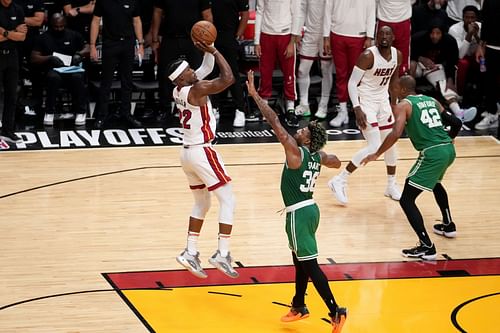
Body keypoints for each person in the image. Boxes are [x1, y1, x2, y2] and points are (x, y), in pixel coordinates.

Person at [246, 69, 347, 333]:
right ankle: (299, 304)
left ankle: (335, 310)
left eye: (302, 130)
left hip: (298, 214)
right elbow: (336, 162)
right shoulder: (317, 157)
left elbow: (274, 122)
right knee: (300, 260)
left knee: (310, 264)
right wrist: (323, 154)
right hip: (311, 210)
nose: (299, 130)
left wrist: (256, 96)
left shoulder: (296, 152)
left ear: (306, 139)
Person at [362, 75, 462, 260]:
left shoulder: (404, 105)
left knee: (407, 200)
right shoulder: (431, 100)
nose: (391, 90)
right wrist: (451, 138)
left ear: (401, 89)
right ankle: (448, 225)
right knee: (435, 184)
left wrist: (376, 153)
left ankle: (427, 246)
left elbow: (395, 133)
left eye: (393, 88)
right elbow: (456, 122)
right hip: (448, 150)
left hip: (432, 153)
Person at [167, 41, 239, 279]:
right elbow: (228, 78)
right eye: (188, 70)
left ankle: (190, 251)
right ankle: (222, 253)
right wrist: (218, 51)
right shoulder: (196, 90)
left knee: (202, 203)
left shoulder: (179, 88)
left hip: (186, 154)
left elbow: (205, 68)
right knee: (228, 199)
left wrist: (209, 46)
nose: (193, 71)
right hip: (202, 151)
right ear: (181, 78)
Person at [328, 26, 402, 205]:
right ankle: (340, 179)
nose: (384, 37)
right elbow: (352, 83)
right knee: (374, 146)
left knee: (390, 145)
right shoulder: (368, 56)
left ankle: (391, 185)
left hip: (383, 101)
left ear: (393, 37)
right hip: (366, 101)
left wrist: (395, 103)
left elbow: (394, 79)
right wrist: (357, 108)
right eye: (380, 34)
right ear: (376, 37)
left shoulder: (397, 55)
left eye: (387, 34)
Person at [151, 0, 212, 124]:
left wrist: (208, 40)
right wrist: (155, 38)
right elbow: (157, 13)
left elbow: (207, 15)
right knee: (165, 74)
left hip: (193, 40)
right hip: (170, 38)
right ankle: (165, 109)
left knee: (197, 74)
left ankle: (197, 107)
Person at [89, 0, 144, 129]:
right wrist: (92, 45)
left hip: (128, 43)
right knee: (106, 82)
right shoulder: (103, 1)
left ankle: (126, 114)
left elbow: (137, 21)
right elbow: (95, 21)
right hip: (110, 43)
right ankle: (102, 115)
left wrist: (140, 44)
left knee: (127, 81)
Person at [410, 21, 477, 122]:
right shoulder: (417, 38)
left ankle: (459, 113)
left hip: (434, 67)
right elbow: (409, 54)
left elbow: (452, 62)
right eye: (432, 33)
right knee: (410, 66)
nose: (434, 36)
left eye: (438, 33)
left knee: (444, 86)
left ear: (442, 33)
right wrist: (421, 58)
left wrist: (450, 79)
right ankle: (407, 97)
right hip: (418, 65)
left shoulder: (449, 41)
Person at [323, 0, 376, 127]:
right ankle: (343, 111)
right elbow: (327, 10)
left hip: (359, 36)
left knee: (359, 77)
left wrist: (369, 36)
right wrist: (326, 37)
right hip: (337, 34)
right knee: (341, 75)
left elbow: (371, 12)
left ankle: (361, 111)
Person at [31, 13, 89, 126]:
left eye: (61, 26)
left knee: (78, 77)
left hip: (71, 68)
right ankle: (49, 112)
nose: (59, 29)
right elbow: (34, 58)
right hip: (53, 69)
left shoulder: (74, 35)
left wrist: (79, 54)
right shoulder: (43, 38)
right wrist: (49, 58)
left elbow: (87, 48)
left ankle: (80, 111)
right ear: (51, 25)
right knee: (53, 77)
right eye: (56, 27)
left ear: (65, 24)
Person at [254, 0, 301, 127]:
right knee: (265, 72)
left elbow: (297, 14)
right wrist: (256, 41)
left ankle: (290, 109)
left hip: (286, 35)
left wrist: (292, 42)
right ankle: (264, 107)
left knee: (289, 74)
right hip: (266, 34)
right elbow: (259, 12)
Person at [211, 0, 249, 128]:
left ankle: (240, 110)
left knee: (233, 75)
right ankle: (214, 109)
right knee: (213, 73)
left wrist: (238, 35)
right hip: (211, 36)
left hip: (229, 36)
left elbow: (245, 14)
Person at [294, 0, 333, 120]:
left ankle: (323, 104)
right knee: (302, 70)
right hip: (310, 33)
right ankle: (304, 104)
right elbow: (301, 10)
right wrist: (298, 31)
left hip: (328, 34)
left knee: (325, 69)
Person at [0, 0, 26, 143]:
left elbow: (22, 37)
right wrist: (13, 33)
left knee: (11, 94)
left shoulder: (18, 9)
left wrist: (3, 32)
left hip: (12, 55)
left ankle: (7, 130)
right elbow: (17, 34)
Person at [474, 0, 500, 131]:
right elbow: (486, 22)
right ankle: (492, 112)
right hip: (492, 45)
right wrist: (481, 45)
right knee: (490, 82)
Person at [448, 5, 481, 96]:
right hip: (462, 57)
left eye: (472, 18)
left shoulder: (481, 27)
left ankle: (482, 92)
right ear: (462, 18)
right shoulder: (454, 29)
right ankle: (460, 94)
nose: (470, 20)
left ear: (476, 18)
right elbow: (460, 55)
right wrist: (469, 35)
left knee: (484, 61)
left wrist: (477, 36)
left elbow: (483, 49)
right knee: (463, 63)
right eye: (467, 17)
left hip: (475, 56)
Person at [376, 0, 413, 75]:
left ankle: (400, 80)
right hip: (384, 18)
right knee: (381, 55)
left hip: (403, 19)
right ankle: (380, 82)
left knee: (402, 55)